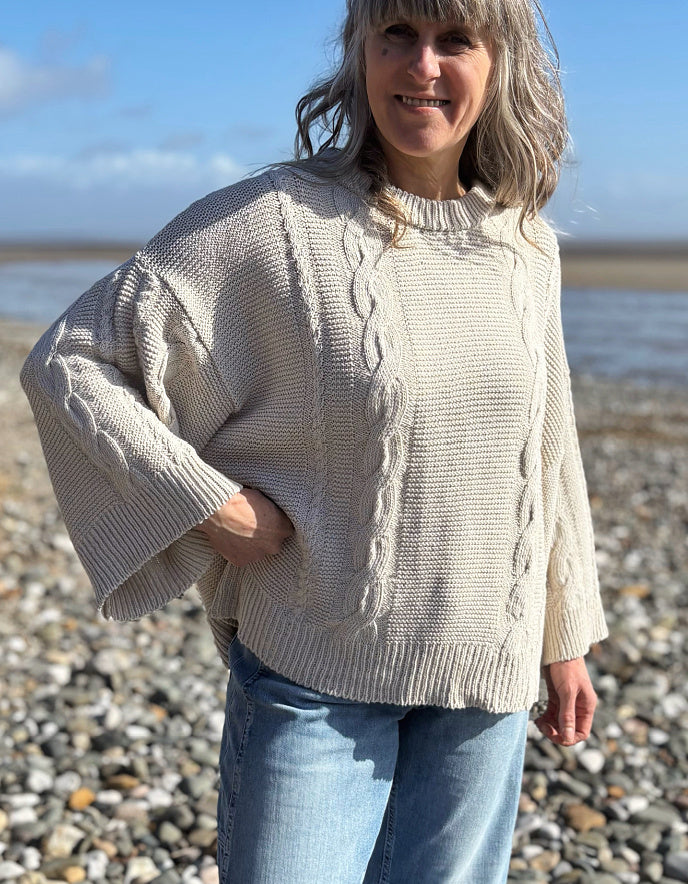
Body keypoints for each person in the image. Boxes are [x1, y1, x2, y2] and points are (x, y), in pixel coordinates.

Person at [20, 0, 609, 881]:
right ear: (360, 50)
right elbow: (71, 361)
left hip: (485, 687)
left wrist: (565, 635)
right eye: (397, 34)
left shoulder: (526, 245)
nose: (422, 66)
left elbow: (547, 452)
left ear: (501, 63)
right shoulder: (275, 223)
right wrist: (209, 504)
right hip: (315, 684)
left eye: (455, 40)